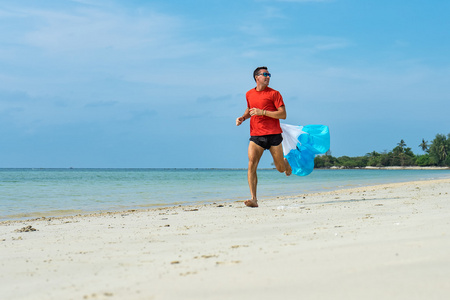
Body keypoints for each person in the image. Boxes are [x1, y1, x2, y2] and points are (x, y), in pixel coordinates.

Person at [236, 66, 292, 208]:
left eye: (269, 74)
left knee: (279, 168)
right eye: (265, 74)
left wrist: (263, 112)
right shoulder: (249, 94)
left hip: (273, 135)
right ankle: (254, 199)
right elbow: (250, 109)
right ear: (257, 77)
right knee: (251, 164)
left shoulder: (275, 94)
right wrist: (243, 117)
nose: (268, 77)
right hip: (256, 135)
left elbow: (282, 114)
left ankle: (285, 163)